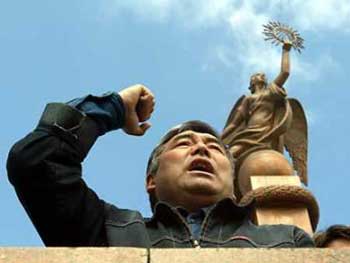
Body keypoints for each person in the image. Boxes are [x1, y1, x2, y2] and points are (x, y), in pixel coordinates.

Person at [7, 84, 314, 248]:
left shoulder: (286, 240)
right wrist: (111, 108)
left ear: (232, 178)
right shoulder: (107, 230)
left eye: (215, 148)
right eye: (183, 144)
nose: (201, 147)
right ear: (150, 180)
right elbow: (35, 164)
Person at [222, 40, 294, 160]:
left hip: (267, 133)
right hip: (248, 134)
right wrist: (219, 138)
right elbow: (234, 123)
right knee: (228, 157)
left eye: (263, 75)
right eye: (257, 75)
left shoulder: (271, 92)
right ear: (252, 83)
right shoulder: (248, 99)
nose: (262, 75)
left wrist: (286, 50)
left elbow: (285, 73)